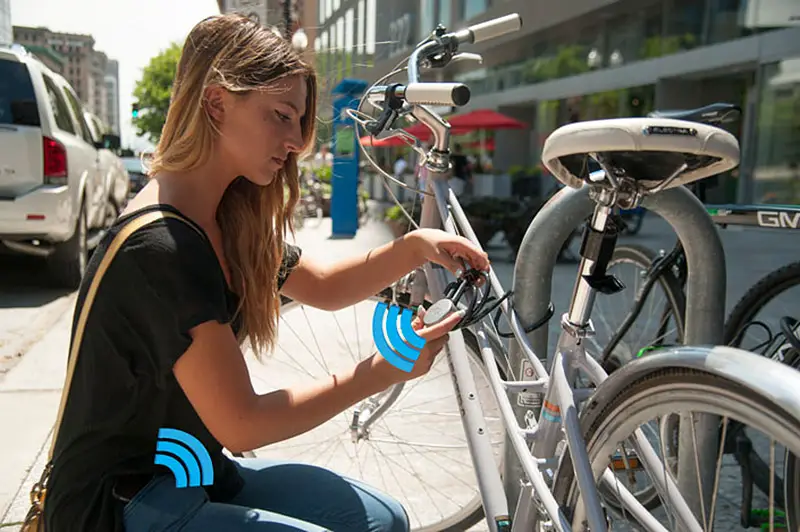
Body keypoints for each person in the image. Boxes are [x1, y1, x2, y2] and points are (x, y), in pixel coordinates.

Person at [41, 13, 489, 532]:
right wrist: (381, 372)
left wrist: (415, 247)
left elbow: (323, 286)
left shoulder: (223, 217)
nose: (298, 140)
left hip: (193, 474)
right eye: (280, 115)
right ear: (216, 103)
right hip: (117, 506)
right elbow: (243, 422)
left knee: (383, 520)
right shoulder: (161, 247)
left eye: (299, 120)